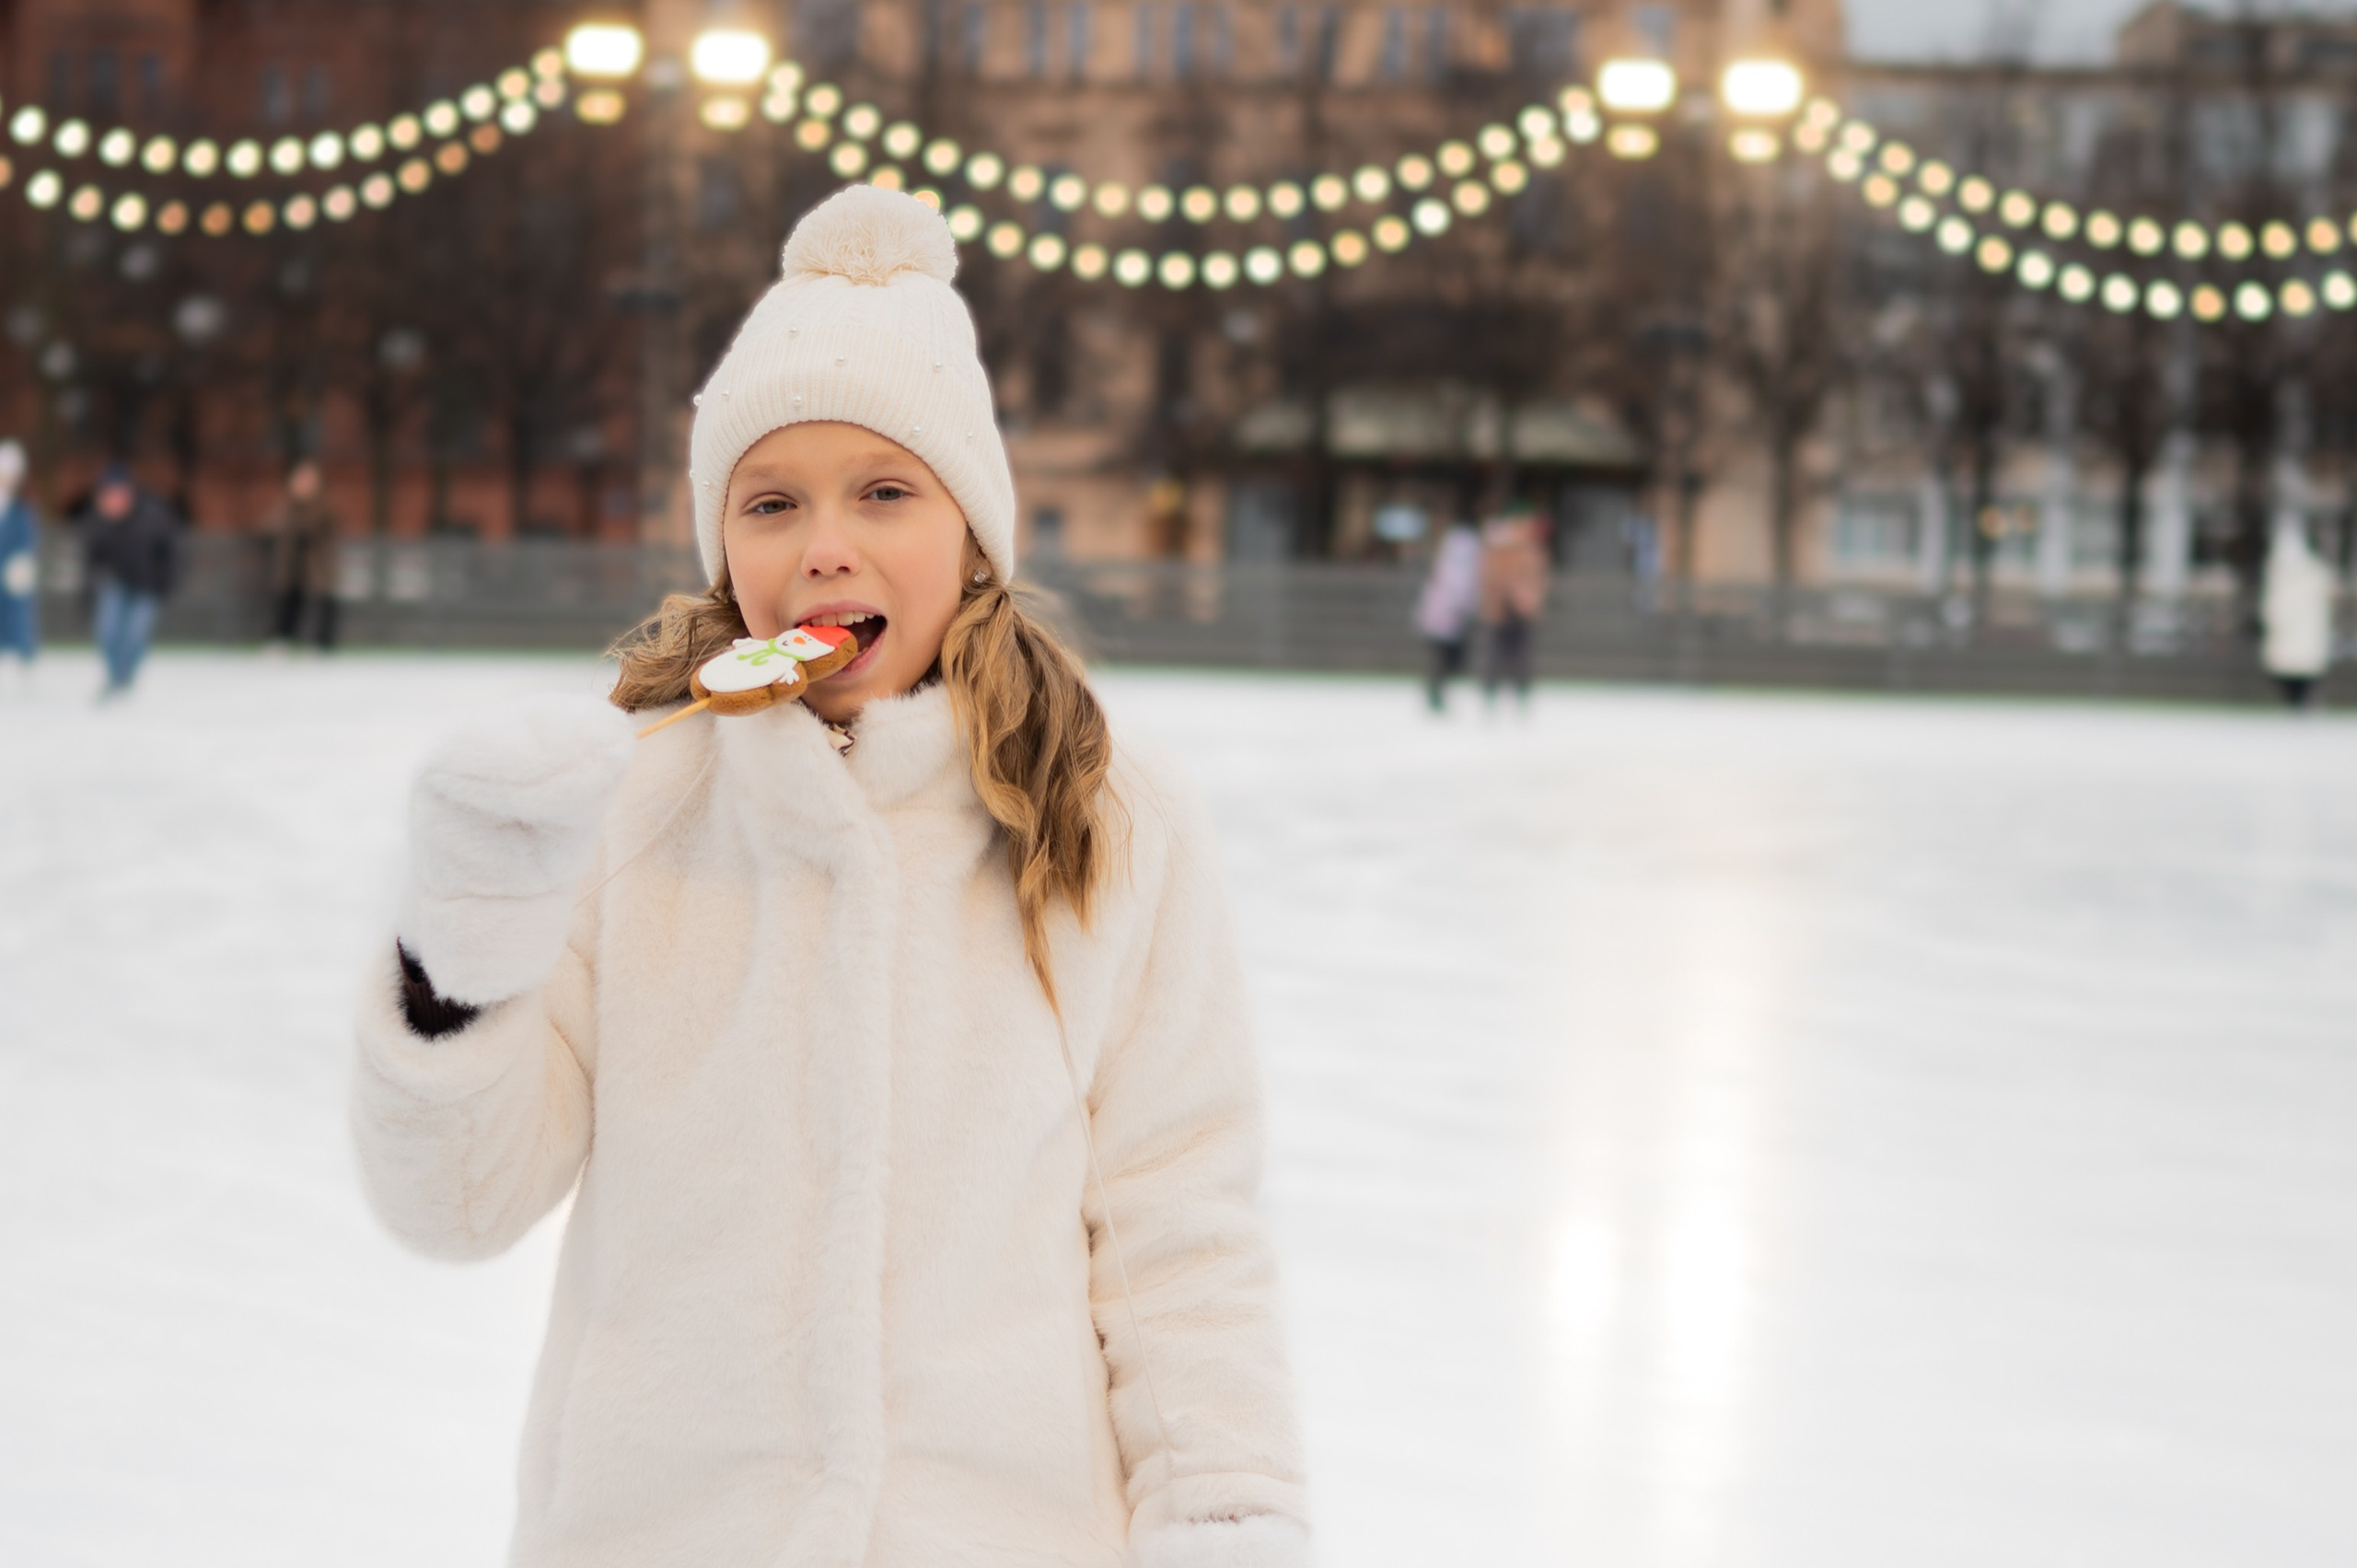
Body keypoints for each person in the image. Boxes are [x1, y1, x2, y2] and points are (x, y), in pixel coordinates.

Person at [349, 188, 1308, 1568]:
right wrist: (462, 942)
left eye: (885, 492)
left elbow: (1179, 1215)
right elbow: (458, 1197)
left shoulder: (1104, 819)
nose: (823, 546)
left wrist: (1225, 1507)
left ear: (973, 533)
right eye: (772, 501)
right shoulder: (632, 805)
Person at [80, 463, 183, 699]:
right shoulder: (97, 520)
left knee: (135, 635)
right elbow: (91, 561)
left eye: (119, 493)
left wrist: (166, 583)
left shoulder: (154, 515)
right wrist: (87, 594)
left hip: (148, 585)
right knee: (107, 633)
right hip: (115, 584)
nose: (114, 499)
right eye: (109, 494)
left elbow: (171, 553)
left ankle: (126, 678)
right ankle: (114, 678)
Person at [1480, 502, 1551, 709]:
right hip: (1501, 609)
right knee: (1496, 655)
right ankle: (1492, 694)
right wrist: (1512, 593)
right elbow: (1490, 576)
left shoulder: (1532, 547)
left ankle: (1521, 693)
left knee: (1521, 656)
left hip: (1523, 609)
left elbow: (1540, 577)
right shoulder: (1499, 546)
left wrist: (1533, 598)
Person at [264, 458, 341, 651]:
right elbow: (270, 528)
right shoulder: (285, 506)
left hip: (317, 565)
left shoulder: (323, 507)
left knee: (322, 602)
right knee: (288, 602)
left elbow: (320, 528)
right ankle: (282, 639)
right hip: (291, 565)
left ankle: (322, 644)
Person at [2261, 518, 2336, 709]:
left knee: (2293, 673)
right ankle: (2300, 703)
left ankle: (2297, 703)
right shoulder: (2314, 574)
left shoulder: (2284, 577)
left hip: (2293, 637)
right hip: (2299, 638)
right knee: (2299, 673)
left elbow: (2275, 608)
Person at [1414, 517, 1483, 712]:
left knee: (1442, 659)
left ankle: (1437, 692)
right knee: (1443, 659)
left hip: (1445, 617)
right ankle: (1436, 693)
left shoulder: (1448, 558)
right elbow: (1460, 588)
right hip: (1447, 617)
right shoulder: (1459, 560)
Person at [0, 440, 39, 683]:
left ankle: (23, 658)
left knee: (18, 613)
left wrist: (21, 563)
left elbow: (26, 539)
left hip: (12, 572)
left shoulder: (22, 509)